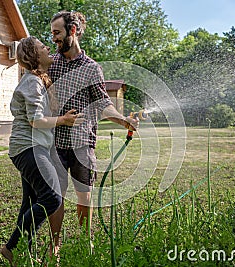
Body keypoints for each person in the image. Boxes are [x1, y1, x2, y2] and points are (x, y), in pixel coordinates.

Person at [48, 11, 139, 255]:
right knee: (55, 197)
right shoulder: (50, 62)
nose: (53, 38)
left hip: (81, 143)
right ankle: (54, 245)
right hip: (54, 142)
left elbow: (103, 103)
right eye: (52, 33)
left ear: (73, 31)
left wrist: (122, 120)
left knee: (84, 197)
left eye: (57, 33)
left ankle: (84, 240)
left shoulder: (91, 69)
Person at [0, 36, 84, 266]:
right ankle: (11, 247)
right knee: (52, 198)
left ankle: (20, 253)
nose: (47, 48)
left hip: (31, 148)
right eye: (41, 47)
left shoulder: (37, 80)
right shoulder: (32, 82)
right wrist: (63, 120)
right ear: (34, 56)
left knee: (30, 201)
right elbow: (36, 120)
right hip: (29, 148)